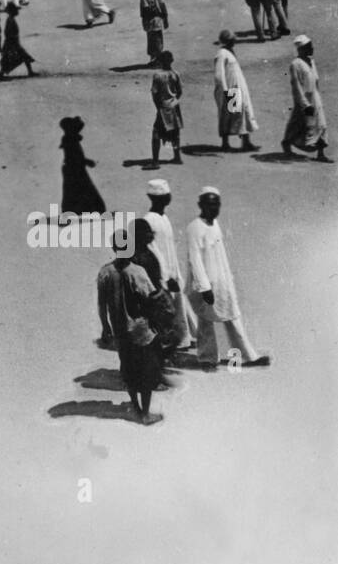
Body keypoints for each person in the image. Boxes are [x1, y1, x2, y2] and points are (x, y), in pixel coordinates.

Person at [185, 189, 270, 371]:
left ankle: (248, 356)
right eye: (209, 204)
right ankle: (207, 359)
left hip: (222, 281)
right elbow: (195, 259)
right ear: (201, 205)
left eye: (216, 204)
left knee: (233, 316)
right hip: (205, 283)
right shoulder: (195, 228)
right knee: (205, 320)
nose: (214, 208)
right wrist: (204, 287)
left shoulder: (215, 224)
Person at [96, 227, 165, 424]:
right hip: (141, 332)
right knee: (145, 373)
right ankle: (145, 414)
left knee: (128, 371)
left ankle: (135, 407)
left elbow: (101, 304)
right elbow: (152, 299)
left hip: (120, 332)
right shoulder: (137, 272)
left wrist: (105, 327)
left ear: (114, 247)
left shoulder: (105, 272)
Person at [144, 178, 195, 352]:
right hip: (163, 274)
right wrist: (166, 276)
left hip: (173, 271)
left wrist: (175, 272)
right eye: (163, 196)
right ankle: (176, 341)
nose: (167, 198)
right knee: (169, 308)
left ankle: (185, 337)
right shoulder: (149, 220)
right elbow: (154, 251)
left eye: (167, 195)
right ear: (154, 199)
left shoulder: (164, 217)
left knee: (179, 304)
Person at [282, 35, 330, 161]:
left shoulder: (311, 62)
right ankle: (286, 145)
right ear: (301, 49)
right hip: (304, 100)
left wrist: (318, 98)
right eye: (309, 47)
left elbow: (316, 80)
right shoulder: (296, 64)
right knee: (298, 124)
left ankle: (321, 154)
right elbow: (296, 86)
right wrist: (305, 104)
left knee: (321, 124)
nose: (312, 48)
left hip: (315, 97)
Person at [213, 29, 258, 152]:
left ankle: (246, 142)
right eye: (232, 40)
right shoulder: (222, 54)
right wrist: (225, 91)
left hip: (238, 88)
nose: (234, 42)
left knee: (242, 112)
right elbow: (219, 74)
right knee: (228, 115)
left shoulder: (230, 52)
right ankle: (225, 143)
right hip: (230, 90)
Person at [59, 116, 105, 214]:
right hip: (74, 168)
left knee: (76, 189)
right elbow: (73, 156)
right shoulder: (69, 139)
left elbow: (74, 156)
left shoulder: (69, 138)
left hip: (74, 168)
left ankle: (76, 211)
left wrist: (85, 161)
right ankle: (79, 211)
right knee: (78, 189)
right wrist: (86, 161)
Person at [150, 50, 183, 167]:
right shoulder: (175, 74)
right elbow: (180, 92)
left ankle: (155, 161)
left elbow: (154, 93)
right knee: (175, 131)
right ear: (172, 61)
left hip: (163, 106)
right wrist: (174, 101)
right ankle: (177, 157)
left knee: (156, 132)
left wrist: (158, 107)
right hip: (174, 106)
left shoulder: (157, 76)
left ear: (160, 61)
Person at [0, 2, 35, 78]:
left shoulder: (10, 19)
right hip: (13, 42)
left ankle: (1, 74)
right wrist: (15, 43)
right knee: (21, 56)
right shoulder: (11, 20)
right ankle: (30, 72)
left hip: (11, 42)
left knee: (10, 58)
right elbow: (9, 33)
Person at [138, 0, 168, 65]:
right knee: (159, 39)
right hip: (159, 19)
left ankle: (156, 60)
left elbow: (146, 8)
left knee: (152, 40)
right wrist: (165, 18)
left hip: (150, 20)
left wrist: (144, 20)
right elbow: (163, 4)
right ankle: (158, 58)